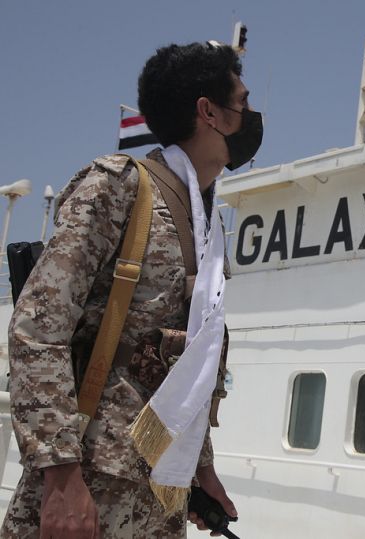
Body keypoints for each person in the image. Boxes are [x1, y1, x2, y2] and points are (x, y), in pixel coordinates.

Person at [1, 40, 262, 538]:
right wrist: (60, 479)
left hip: (162, 490)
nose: (251, 115)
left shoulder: (206, 220)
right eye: (243, 102)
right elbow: (37, 331)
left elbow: (189, 363)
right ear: (209, 112)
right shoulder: (119, 187)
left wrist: (200, 467)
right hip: (91, 486)